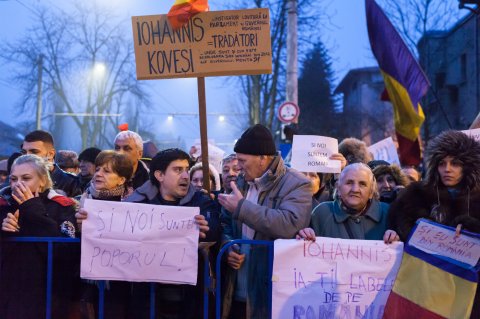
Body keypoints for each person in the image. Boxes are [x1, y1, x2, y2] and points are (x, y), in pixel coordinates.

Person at [218, 124, 312, 319]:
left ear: (262, 158)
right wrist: (227, 245)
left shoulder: (297, 183)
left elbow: (290, 224)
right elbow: (224, 223)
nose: (239, 167)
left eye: (243, 161)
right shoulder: (242, 182)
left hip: (271, 293)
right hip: (236, 291)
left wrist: (241, 208)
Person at [388, 130, 480, 318]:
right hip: (427, 291)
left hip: (469, 292)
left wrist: (474, 228)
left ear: (468, 167)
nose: (447, 169)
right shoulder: (415, 196)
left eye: (455, 163)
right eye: (441, 163)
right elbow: (399, 227)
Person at [123, 148, 217, 319]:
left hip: (190, 297)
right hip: (148, 298)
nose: (185, 176)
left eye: (187, 169)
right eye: (177, 170)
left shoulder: (201, 202)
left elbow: (215, 231)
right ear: (160, 175)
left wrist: (206, 229)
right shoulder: (137, 203)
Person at [0, 154, 78, 318]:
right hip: (8, 293)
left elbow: (65, 252)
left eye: (26, 178)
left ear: (42, 180)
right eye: (13, 179)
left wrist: (33, 210)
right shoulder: (3, 205)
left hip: (47, 294)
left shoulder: (62, 206)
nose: (18, 184)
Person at [75, 150, 134, 318]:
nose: (98, 174)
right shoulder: (83, 200)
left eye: (107, 171)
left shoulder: (134, 204)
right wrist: (77, 225)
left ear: (121, 179)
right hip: (87, 281)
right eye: (98, 168)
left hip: (119, 284)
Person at [298, 163, 399, 243]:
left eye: (362, 184)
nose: (355, 189)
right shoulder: (321, 213)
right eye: (349, 183)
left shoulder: (388, 213)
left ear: (371, 192)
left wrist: (397, 238)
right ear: (338, 188)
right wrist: (304, 235)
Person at [21, 130, 82, 197]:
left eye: (34, 152)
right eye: (24, 152)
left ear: (50, 154)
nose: (27, 156)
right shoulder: (17, 179)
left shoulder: (71, 183)